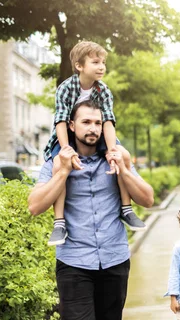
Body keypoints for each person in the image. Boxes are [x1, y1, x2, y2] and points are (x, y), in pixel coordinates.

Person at [28, 100, 154, 320]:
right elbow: (35, 206)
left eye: (98, 123)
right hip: (74, 260)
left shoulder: (115, 157)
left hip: (113, 256)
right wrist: (62, 173)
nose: (93, 129)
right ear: (71, 126)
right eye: (86, 122)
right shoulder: (55, 162)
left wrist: (123, 169)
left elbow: (147, 199)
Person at [43, 41, 146, 247]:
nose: (101, 67)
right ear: (80, 66)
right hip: (68, 135)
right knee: (59, 165)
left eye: (103, 63)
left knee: (121, 156)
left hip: (97, 134)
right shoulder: (66, 88)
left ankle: (126, 209)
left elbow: (108, 122)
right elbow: (60, 122)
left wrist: (111, 150)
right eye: (95, 62)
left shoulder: (104, 91)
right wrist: (66, 149)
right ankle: (59, 223)